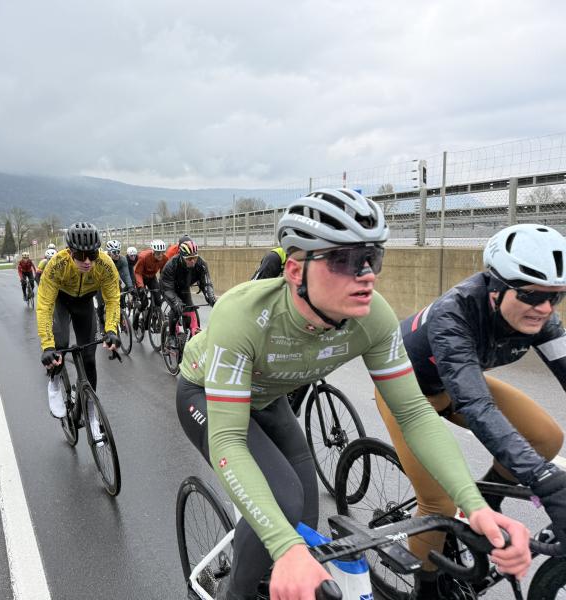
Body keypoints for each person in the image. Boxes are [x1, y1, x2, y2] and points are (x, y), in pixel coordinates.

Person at [175, 188, 531, 600]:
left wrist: (474, 505)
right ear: (295, 271)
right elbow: (229, 439)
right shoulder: (243, 315)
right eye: (342, 260)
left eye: (371, 258)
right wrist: (285, 547)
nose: (365, 274)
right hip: (205, 394)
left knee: (305, 516)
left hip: (268, 398)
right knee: (284, 503)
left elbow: (414, 414)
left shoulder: (373, 317)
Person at [380, 223, 566, 596]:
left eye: (556, 297)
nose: (544, 309)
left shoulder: (542, 318)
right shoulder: (454, 314)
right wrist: (542, 479)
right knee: (438, 501)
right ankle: (425, 589)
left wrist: (541, 472)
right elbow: (477, 406)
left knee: (547, 437)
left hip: (457, 385)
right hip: (407, 392)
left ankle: (487, 499)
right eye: (531, 295)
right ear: (495, 288)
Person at [37, 222, 121, 440]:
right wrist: (47, 346)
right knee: (60, 345)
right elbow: (44, 305)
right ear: (70, 251)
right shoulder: (57, 264)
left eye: (92, 255)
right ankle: (54, 381)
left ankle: (91, 414)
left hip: (85, 303)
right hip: (61, 301)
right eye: (80, 256)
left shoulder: (105, 264)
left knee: (89, 359)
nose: (87, 261)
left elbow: (112, 299)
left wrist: (111, 329)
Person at [160, 239, 216, 348]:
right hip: (169, 288)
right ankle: (171, 336)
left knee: (189, 309)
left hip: (184, 286)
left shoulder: (201, 264)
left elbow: (207, 284)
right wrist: (176, 302)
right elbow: (167, 289)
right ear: (181, 257)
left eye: (195, 258)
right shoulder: (171, 265)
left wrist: (211, 298)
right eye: (189, 259)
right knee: (177, 308)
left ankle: (188, 336)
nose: (193, 261)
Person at [97, 239, 133, 331]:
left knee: (120, 299)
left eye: (118, 251)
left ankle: (121, 319)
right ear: (109, 252)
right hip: (101, 282)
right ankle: (101, 322)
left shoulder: (122, 259)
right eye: (114, 252)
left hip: (114, 281)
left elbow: (126, 274)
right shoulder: (103, 258)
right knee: (101, 304)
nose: (117, 254)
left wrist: (130, 287)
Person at [132, 239, 169, 328]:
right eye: (158, 253)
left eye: (162, 252)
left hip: (152, 277)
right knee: (144, 302)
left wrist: (164, 285)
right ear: (153, 252)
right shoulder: (143, 257)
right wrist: (141, 287)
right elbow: (137, 273)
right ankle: (137, 313)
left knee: (158, 301)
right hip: (141, 277)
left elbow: (163, 273)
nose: (160, 255)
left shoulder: (164, 258)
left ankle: (149, 320)